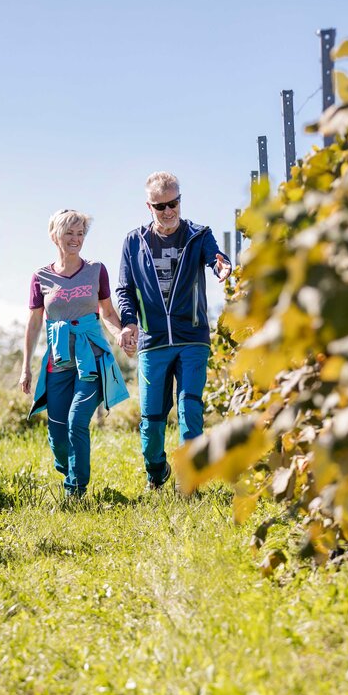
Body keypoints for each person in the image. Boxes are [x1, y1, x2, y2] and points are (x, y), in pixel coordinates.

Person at [115, 172, 231, 489]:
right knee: (151, 422)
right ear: (148, 206)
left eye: (174, 203)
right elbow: (124, 289)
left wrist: (223, 266)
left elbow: (216, 257)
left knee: (189, 406)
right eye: (160, 206)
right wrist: (129, 322)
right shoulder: (133, 242)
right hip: (152, 342)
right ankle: (156, 470)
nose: (168, 212)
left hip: (192, 337)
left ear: (180, 200)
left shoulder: (198, 234)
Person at [19, 209, 129, 496]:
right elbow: (33, 323)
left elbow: (107, 312)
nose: (76, 239)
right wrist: (26, 367)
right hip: (58, 360)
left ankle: (76, 489)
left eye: (80, 233)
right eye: (69, 232)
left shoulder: (96, 270)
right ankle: (68, 468)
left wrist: (120, 335)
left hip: (91, 357)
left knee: (77, 420)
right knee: (56, 431)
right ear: (54, 235)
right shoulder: (40, 276)